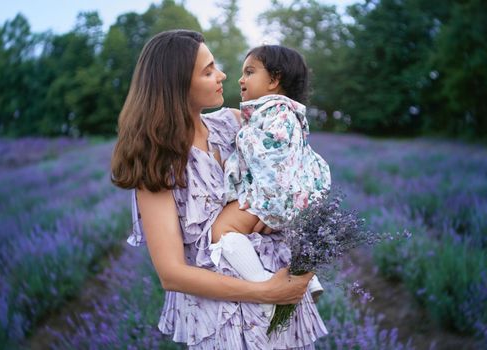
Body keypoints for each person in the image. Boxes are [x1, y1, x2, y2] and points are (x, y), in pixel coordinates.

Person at [111, 30, 327, 349]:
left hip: (282, 298)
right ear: (177, 84)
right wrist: (267, 292)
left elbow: (294, 163)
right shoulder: (157, 162)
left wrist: (285, 207)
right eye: (208, 70)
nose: (222, 75)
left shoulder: (233, 124)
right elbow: (172, 274)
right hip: (222, 319)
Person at [208, 45, 331, 319]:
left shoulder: (275, 112)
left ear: (274, 81)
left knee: (223, 230)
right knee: (286, 237)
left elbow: (272, 153)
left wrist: (244, 137)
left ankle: (264, 287)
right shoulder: (287, 114)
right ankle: (309, 280)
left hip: (270, 195)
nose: (241, 80)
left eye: (249, 72)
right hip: (286, 195)